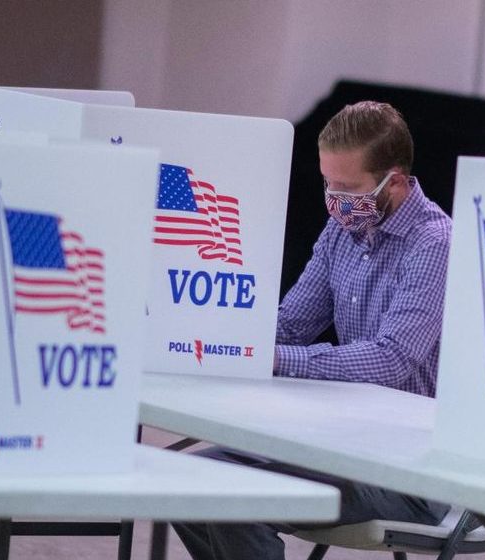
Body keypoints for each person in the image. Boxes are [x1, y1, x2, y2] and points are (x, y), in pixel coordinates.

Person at [173, 101, 452, 560]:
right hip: (342, 443)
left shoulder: (435, 244)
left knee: (233, 499)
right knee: (188, 481)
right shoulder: (342, 230)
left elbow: (391, 359)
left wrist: (276, 358)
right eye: (328, 184)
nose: (335, 201)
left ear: (395, 182)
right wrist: (218, 336)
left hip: (410, 470)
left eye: (347, 188)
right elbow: (291, 324)